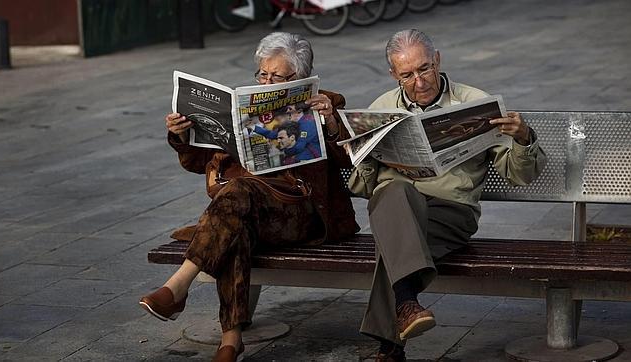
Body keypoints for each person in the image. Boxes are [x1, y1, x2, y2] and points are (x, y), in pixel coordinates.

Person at [139, 32, 359, 362]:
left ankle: (178, 287)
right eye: (262, 74)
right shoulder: (247, 109)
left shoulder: (326, 105)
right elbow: (198, 163)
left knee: (235, 197)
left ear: (298, 78)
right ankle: (231, 341)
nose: (266, 80)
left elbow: (352, 160)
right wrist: (181, 135)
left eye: (277, 76)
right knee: (235, 224)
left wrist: (330, 123)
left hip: (302, 211)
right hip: (247, 209)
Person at [348, 29, 547, 361]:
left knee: (394, 243)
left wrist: (524, 138)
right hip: (395, 206)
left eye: (424, 68)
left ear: (437, 59)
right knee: (395, 191)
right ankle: (403, 313)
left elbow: (520, 175)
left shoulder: (474, 104)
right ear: (393, 74)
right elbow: (361, 187)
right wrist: (366, 155)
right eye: (407, 75)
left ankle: (394, 331)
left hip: (450, 212)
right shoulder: (381, 109)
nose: (420, 82)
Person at [253, 102, 322, 159]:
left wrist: (283, 151)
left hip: (313, 158)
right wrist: (253, 127)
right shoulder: (295, 124)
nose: (287, 111)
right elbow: (273, 134)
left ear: (299, 111)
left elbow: (299, 147)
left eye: (290, 109)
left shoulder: (308, 124)